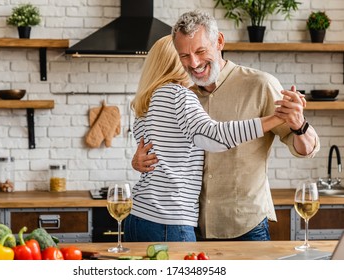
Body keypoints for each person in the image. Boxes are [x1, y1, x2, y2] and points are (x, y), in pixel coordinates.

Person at [131, 10, 320, 241]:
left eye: (200, 51)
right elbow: (170, 149)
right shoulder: (183, 94)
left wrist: (299, 125)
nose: (195, 63)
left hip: (245, 226)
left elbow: (304, 149)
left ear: (219, 41)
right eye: (185, 56)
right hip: (195, 225)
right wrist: (138, 160)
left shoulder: (260, 84)